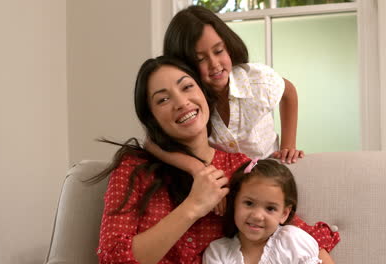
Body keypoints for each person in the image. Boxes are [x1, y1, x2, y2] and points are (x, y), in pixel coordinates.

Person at [94, 56, 338, 264]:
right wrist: (194, 206)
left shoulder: (240, 169)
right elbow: (112, 257)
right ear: (152, 117)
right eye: (163, 99)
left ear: (203, 92)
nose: (181, 102)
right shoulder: (134, 169)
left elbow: (305, 237)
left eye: (187, 87)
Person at [162, 5, 303, 164]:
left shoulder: (258, 80)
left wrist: (288, 145)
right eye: (200, 59)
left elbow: (288, 91)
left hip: (269, 176)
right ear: (184, 66)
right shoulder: (188, 105)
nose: (214, 64)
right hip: (226, 182)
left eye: (218, 51)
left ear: (228, 47)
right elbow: (155, 142)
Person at [203, 159, 321, 264]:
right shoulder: (218, 252)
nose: (257, 216)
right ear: (234, 203)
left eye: (270, 208)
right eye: (249, 203)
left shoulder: (293, 242)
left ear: (284, 214)